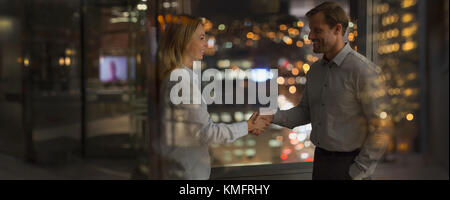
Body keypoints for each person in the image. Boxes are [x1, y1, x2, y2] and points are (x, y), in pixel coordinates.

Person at [253, 2, 393, 180]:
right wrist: (270, 115)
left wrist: (358, 170)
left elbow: (381, 126)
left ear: (337, 29)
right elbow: (304, 112)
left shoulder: (363, 71)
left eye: (317, 30)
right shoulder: (315, 71)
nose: (310, 36)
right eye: (311, 30)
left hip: (350, 166)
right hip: (320, 163)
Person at [155, 15, 269, 180]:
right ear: (184, 40)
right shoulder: (181, 80)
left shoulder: (178, 75)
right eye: (201, 38)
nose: (206, 44)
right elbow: (207, 133)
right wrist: (248, 126)